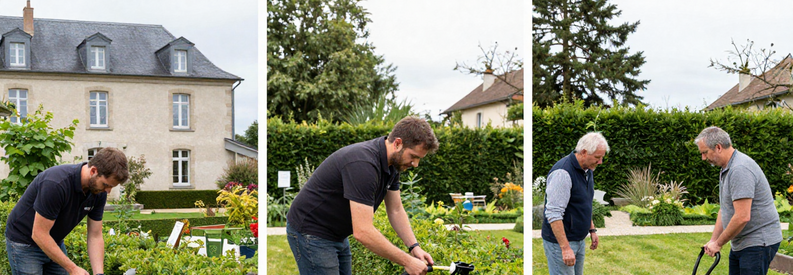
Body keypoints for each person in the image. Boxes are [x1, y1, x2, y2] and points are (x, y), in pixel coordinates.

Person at [286, 116, 439, 275]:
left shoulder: (392, 164)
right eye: (413, 156)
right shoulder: (363, 164)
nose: (415, 164)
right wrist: (407, 262)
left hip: (337, 234)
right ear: (398, 143)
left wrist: (414, 247)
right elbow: (363, 231)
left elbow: (395, 210)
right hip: (311, 231)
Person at [5, 147, 128, 275]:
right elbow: (39, 234)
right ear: (93, 171)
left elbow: (95, 235)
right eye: (106, 185)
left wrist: (99, 274)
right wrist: (73, 268)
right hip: (24, 242)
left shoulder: (98, 192)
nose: (108, 191)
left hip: (53, 240)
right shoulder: (56, 183)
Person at [695, 126, 782, 274]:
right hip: (742, 242)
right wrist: (713, 241)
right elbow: (725, 208)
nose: (703, 158)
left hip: (758, 241)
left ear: (718, 147)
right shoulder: (726, 168)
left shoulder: (739, 169)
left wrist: (719, 243)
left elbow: (742, 216)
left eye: (705, 152)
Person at [541, 132, 609, 275]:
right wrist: (565, 248)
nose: (600, 162)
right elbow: (553, 213)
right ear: (584, 152)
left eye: (602, 157)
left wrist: (591, 229)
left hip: (578, 239)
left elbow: (584, 202)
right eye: (597, 157)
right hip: (561, 243)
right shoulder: (563, 173)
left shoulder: (587, 170)